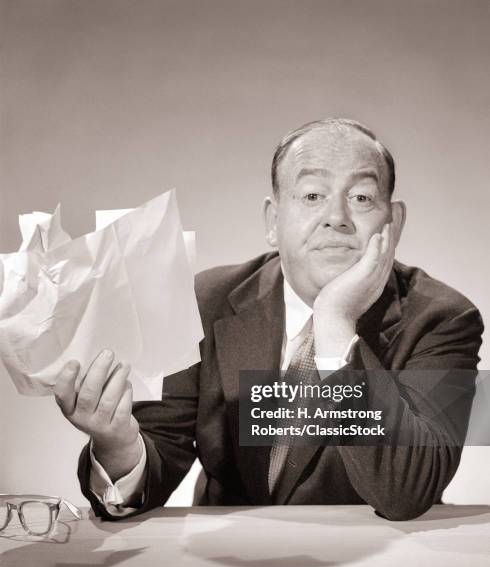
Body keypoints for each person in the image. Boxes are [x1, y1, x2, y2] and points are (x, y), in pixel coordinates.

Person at [54, 118, 483, 521]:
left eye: (362, 198)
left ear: (394, 222)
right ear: (273, 222)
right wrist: (118, 445)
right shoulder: (208, 300)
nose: (337, 217)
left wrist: (334, 324)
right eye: (313, 195)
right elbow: (159, 453)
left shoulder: (441, 318)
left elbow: (406, 490)